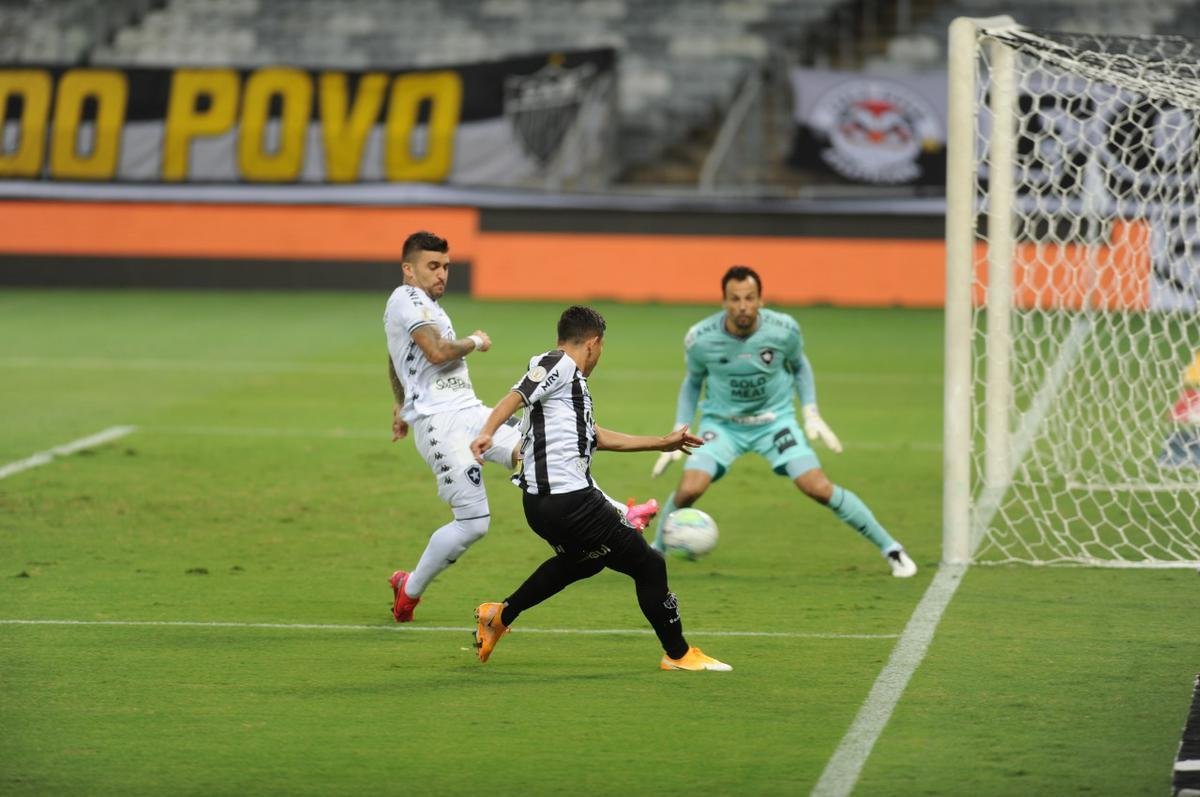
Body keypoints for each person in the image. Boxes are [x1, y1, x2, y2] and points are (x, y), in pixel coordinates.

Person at [384, 233, 658, 622]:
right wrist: (475, 341)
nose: (442, 273)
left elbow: (398, 355)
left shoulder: (427, 308)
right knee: (474, 524)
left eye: (445, 266)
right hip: (439, 424)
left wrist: (399, 400)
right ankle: (408, 591)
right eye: (433, 266)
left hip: (469, 411)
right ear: (408, 270)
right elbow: (437, 351)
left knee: (541, 448)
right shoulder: (405, 298)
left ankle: (619, 513)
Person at [468, 305, 731, 671]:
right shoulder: (557, 363)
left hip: (544, 504)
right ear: (593, 343)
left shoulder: (571, 387)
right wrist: (487, 432)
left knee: (583, 562)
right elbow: (517, 394)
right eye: (601, 348)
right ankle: (679, 654)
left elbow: (596, 437)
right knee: (650, 564)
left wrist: (661, 442)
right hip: (569, 500)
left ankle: (500, 615)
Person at [650, 266, 918, 578]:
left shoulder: (784, 330)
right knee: (688, 490)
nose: (742, 306)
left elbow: (800, 367)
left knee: (818, 487)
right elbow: (693, 381)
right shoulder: (700, 338)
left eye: (749, 298)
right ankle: (654, 552)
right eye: (734, 299)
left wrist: (811, 413)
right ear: (724, 302)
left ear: (760, 300)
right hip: (723, 425)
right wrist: (680, 429)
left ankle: (892, 549)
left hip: (774, 422)